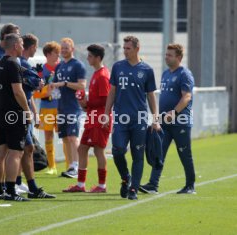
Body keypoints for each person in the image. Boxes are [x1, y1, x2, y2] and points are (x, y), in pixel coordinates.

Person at [104, 36, 161, 200]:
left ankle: (134, 189)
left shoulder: (147, 70)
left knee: (138, 155)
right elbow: (112, 92)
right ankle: (125, 177)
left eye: (128, 48)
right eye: (124, 48)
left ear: (137, 49)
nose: (125, 51)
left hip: (140, 120)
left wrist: (155, 118)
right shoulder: (117, 67)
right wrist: (106, 113)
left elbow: (151, 96)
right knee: (118, 150)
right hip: (121, 119)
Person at [139, 43, 196, 194]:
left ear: (179, 57)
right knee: (159, 153)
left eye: (169, 55)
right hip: (164, 122)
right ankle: (153, 184)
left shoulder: (184, 74)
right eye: (166, 54)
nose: (166, 57)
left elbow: (187, 97)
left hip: (180, 122)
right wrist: (157, 118)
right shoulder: (165, 73)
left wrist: (174, 113)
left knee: (184, 153)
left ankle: (190, 186)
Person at [63, 44, 111, 193]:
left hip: (100, 119)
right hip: (92, 118)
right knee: (82, 149)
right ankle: (80, 184)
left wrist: (87, 103)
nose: (88, 58)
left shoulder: (102, 76)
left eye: (90, 56)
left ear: (97, 58)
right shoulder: (97, 74)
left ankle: (102, 186)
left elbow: (105, 100)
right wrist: (85, 104)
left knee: (98, 151)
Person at [0, 33, 30, 201]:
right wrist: (27, 110)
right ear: (15, 46)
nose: (22, 47)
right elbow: (17, 91)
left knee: (0, 152)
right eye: (21, 44)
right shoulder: (13, 64)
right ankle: (12, 191)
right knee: (16, 153)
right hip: (13, 114)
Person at [17, 33, 55, 198]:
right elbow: (38, 87)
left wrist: (33, 113)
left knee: (24, 148)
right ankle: (16, 185)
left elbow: (30, 93)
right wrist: (42, 79)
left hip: (21, 112)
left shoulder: (18, 63)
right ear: (32, 47)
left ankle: (20, 184)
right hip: (18, 113)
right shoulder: (22, 64)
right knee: (20, 149)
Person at [53, 37, 87, 178]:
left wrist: (65, 84)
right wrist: (52, 88)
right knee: (65, 138)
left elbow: (82, 86)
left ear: (72, 49)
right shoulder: (59, 66)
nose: (64, 50)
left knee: (73, 137)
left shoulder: (78, 65)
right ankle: (71, 165)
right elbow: (55, 84)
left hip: (74, 107)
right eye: (62, 48)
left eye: (66, 47)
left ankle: (76, 167)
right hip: (61, 106)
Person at [33, 41, 68, 175]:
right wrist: (45, 92)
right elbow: (34, 92)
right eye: (56, 53)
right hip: (46, 107)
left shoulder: (63, 68)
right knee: (48, 137)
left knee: (65, 137)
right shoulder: (41, 70)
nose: (58, 55)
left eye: (59, 53)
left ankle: (69, 166)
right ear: (48, 54)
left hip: (61, 107)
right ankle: (52, 166)